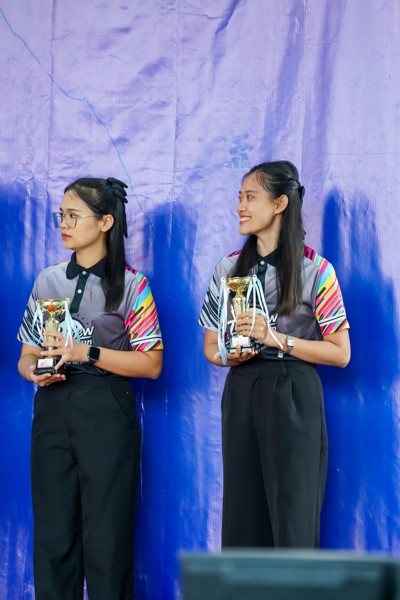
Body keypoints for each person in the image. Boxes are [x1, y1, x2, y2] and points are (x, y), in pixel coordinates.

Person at [17, 177, 163, 599]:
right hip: (52, 409)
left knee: (107, 539)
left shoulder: (132, 285)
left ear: (105, 222)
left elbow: (152, 363)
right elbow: (26, 356)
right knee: (53, 537)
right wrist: (34, 372)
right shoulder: (47, 280)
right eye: (61, 216)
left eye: (73, 216)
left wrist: (87, 352)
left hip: (106, 410)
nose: (64, 224)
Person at [199, 160, 350, 549]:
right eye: (239, 197)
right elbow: (211, 347)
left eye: (250, 197)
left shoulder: (315, 269)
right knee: (242, 518)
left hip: (294, 390)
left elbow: (341, 353)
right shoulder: (227, 268)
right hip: (242, 389)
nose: (240, 207)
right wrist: (229, 356)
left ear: (280, 203)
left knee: (293, 518)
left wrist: (277, 338)